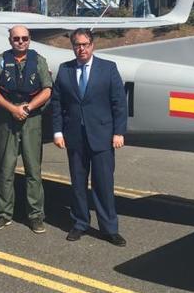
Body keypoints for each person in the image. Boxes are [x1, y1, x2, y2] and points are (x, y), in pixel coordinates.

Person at [50, 28, 127, 246]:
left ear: (92, 45)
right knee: (78, 184)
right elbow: (57, 104)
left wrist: (118, 132)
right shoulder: (65, 70)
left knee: (103, 184)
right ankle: (80, 223)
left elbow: (119, 103)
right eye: (77, 45)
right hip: (75, 136)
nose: (81, 48)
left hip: (102, 136)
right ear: (72, 46)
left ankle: (109, 228)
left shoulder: (108, 69)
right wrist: (57, 131)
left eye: (85, 44)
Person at [0, 25, 52, 234]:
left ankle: (36, 215)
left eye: (24, 38)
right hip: (7, 118)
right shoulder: (0, 60)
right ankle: (3, 214)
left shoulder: (39, 61)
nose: (21, 42)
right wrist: (12, 109)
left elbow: (47, 89)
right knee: (6, 169)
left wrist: (28, 107)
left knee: (34, 170)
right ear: (10, 40)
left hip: (31, 119)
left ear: (29, 39)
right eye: (16, 39)